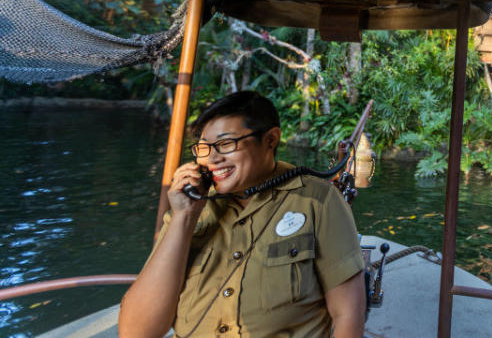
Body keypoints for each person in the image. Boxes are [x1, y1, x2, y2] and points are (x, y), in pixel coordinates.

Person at [118, 91, 366, 338]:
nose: (212, 159)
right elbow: (136, 332)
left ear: (270, 140)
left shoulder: (317, 200)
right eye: (203, 148)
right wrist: (183, 217)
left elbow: (347, 317)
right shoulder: (191, 204)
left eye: (226, 144)